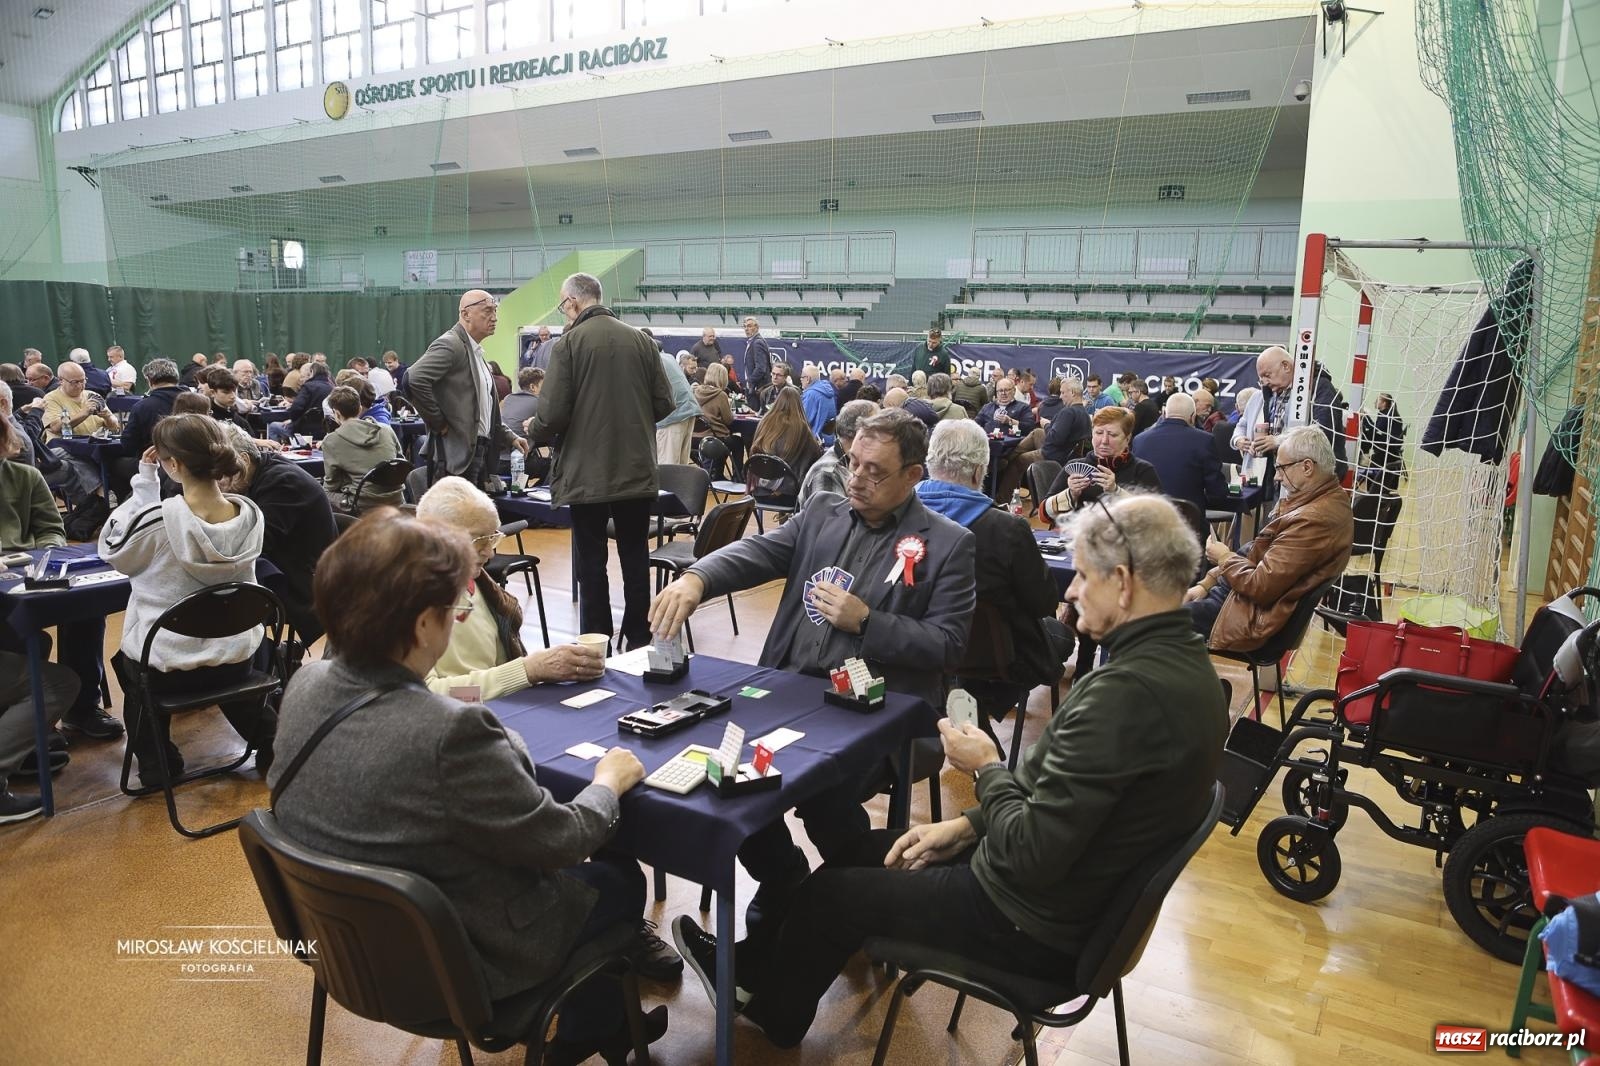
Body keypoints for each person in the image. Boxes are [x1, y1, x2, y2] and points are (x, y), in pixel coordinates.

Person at [671, 492, 1223, 1048]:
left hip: (1028, 921)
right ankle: (756, 979)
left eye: (1081, 577)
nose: (1073, 592)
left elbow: (1027, 854)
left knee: (831, 898)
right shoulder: (1185, 667)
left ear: (1123, 583)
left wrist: (986, 769)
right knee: (866, 852)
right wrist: (965, 826)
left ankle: (775, 1014)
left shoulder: (1124, 695)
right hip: (1070, 895)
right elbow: (1062, 800)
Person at [267, 510, 671, 1063]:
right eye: (451, 609)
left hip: (338, 945)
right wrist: (608, 781)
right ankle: (590, 1032)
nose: (460, 620)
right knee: (618, 876)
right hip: (450, 966)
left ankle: (601, 1025)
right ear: (420, 626)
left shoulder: (306, 684)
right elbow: (563, 841)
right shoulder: (450, 732)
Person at [651, 408, 977, 954]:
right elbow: (757, 553)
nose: (857, 479)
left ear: (914, 476)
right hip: (784, 693)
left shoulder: (947, 544)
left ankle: (838, 904)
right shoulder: (823, 510)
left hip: (874, 715)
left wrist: (868, 622)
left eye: (875, 471)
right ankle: (791, 882)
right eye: (853, 463)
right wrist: (698, 577)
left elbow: (948, 645)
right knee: (718, 774)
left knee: (822, 798)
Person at [99, 414, 270, 786]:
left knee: (131, 669)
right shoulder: (251, 516)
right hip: (238, 658)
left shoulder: (155, 523)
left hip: (168, 670)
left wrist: (145, 486)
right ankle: (272, 742)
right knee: (214, 655)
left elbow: (113, 548)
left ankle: (158, 766)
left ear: (172, 464)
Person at [528, 273, 672, 652]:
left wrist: (535, 429)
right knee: (635, 556)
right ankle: (640, 640)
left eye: (563, 305)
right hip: (637, 468)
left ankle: (596, 643)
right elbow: (664, 404)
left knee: (591, 562)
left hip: (586, 472)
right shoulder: (642, 341)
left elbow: (553, 414)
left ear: (573, 303)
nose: (563, 312)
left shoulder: (569, 344)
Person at [917, 420, 1073, 700]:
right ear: (979, 471)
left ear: (930, 462)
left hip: (917, 650)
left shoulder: (898, 517)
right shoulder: (1008, 529)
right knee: (1061, 636)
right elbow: (1044, 603)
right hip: (995, 657)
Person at [1186, 426, 1354, 652]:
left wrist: (1224, 558)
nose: (1276, 477)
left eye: (1281, 468)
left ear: (1307, 467)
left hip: (1244, 614)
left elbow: (1260, 586)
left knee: (1150, 621)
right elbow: (1255, 553)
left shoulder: (1314, 520)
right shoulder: (1316, 503)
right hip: (1240, 602)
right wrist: (1207, 583)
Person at [219, 435, 338, 644]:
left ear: (244, 460)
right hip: (294, 562)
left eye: (222, 475)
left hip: (304, 581)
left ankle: (248, 659)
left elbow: (257, 544)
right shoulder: (263, 472)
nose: (219, 483)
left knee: (218, 596)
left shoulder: (282, 481)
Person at [408, 291, 528, 489]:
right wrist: (438, 422)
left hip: (475, 454)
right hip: (456, 458)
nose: (494, 317)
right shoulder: (451, 344)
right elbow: (413, 379)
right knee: (456, 519)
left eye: (495, 310)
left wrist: (508, 435)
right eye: (487, 311)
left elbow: (481, 408)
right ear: (466, 314)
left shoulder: (475, 351)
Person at [1233, 346, 1349, 481]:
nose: (1264, 382)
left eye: (1267, 375)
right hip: (1282, 475)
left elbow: (1321, 432)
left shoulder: (1319, 388)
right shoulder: (1271, 393)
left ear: (1286, 366)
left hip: (1314, 477)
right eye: (1261, 378)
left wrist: (1277, 441)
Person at [1132, 392, 1227, 536]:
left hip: (1147, 525)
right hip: (1189, 526)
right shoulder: (1204, 441)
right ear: (1192, 417)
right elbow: (1217, 492)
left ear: (1164, 413)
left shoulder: (1140, 440)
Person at [321, 386, 403, 514]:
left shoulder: (332, 440)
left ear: (336, 413)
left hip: (362, 504)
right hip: (396, 499)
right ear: (360, 409)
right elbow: (400, 461)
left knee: (322, 493)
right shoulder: (386, 430)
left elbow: (332, 484)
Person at [113, 358, 184, 499]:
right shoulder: (195, 400)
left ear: (150, 381)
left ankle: (129, 504)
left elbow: (128, 444)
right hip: (192, 461)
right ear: (176, 378)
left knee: (115, 465)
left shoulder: (142, 406)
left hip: (158, 463)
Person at [798, 398, 877, 506]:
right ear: (860, 433)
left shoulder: (847, 457)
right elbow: (830, 520)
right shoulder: (827, 472)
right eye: (878, 430)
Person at [749, 386, 822, 484]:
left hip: (760, 484)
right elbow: (815, 454)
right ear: (799, 404)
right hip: (788, 488)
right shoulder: (801, 426)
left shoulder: (764, 421)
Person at [43, 360, 119, 441]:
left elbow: (114, 427)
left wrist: (107, 417)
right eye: (74, 382)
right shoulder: (50, 399)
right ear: (61, 381)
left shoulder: (93, 395)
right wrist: (84, 413)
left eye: (83, 381)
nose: (80, 385)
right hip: (64, 446)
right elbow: (55, 428)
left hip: (93, 443)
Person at [692, 361, 742, 478]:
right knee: (737, 442)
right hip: (712, 439)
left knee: (725, 440)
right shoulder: (720, 395)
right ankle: (738, 477)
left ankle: (715, 473)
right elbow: (728, 420)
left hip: (693, 438)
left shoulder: (695, 391)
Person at [655, 347, 701, 466]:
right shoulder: (668, 357)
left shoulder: (651, 359)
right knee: (681, 466)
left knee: (667, 466)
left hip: (673, 416)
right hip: (688, 410)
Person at [267, 361, 332, 444]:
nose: (300, 379)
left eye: (302, 376)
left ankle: (276, 452)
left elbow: (296, 409)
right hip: (323, 431)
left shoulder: (308, 387)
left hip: (302, 430)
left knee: (273, 426)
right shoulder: (331, 387)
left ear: (311, 372)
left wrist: (292, 420)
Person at [1042, 379, 1092, 463]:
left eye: (1062, 393)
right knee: (1036, 433)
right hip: (1069, 457)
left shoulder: (1067, 413)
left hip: (1053, 457)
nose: (1060, 396)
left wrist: (1046, 425)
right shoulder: (1085, 414)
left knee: (1022, 458)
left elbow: (1055, 439)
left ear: (1072, 393)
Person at [501, 367, 543, 440]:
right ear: (532, 387)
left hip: (504, 442)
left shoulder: (508, 398)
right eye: (544, 385)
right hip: (523, 446)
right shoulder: (539, 402)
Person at [741, 317, 772, 412]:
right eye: (745, 326)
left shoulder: (757, 342)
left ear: (757, 327)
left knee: (754, 417)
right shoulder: (754, 341)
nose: (746, 329)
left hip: (757, 388)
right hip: (757, 387)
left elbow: (761, 368)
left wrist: (750, 382)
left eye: (749, 326)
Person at [798, 364, 836, 441]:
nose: (800, 380)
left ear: (808, 379)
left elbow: (803, 421)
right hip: (830, 439)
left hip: (814, 441)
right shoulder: (828, 391)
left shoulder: (810, 395)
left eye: (802, 377)